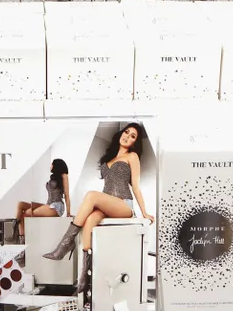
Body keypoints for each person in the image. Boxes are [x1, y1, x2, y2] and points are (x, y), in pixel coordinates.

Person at [43, 123, 153, 300]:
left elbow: (136, 187)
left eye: (133, 136)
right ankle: (86, 276)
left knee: (92, 195)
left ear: (134, 143)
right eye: (127, 132)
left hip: (123, 204)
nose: (128, 136)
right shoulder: (107, 158)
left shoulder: (132, 157)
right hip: (107, 202)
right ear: (120, 134)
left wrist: (145, 213)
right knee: (89, 222)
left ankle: (64, 244)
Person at [15, 159, 70, 237]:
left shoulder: (64, 176)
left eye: (52, 164)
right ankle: (15, 229)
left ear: (56, 165)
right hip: (49, 205)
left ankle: (21, 238)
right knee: (21, 204)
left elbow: (67, 195)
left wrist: (68, 213)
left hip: (57, 206)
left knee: (27, 213)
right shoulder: (53, 178)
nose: (50, 166)